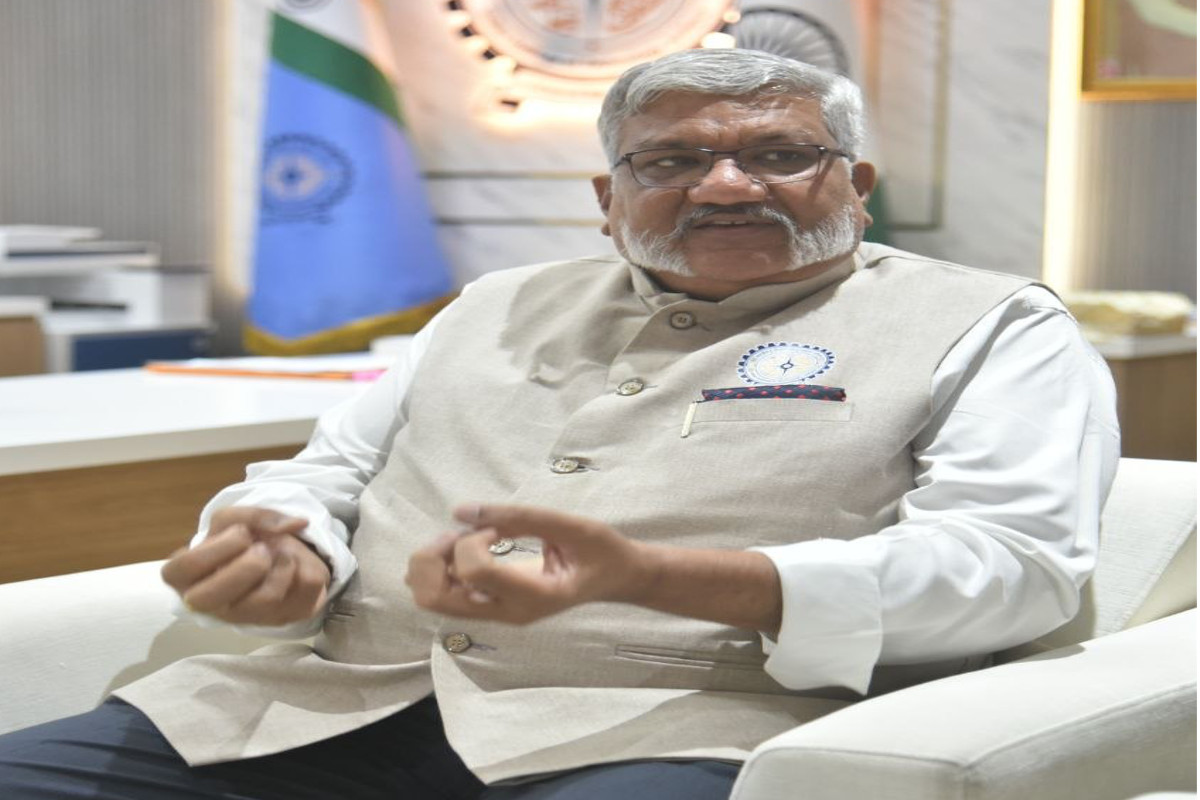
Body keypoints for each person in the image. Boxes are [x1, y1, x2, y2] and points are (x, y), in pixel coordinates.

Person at [0, 47, 1119, 800]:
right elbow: (327, 473)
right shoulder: (489, 304)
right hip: (330, 704)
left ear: (856, 181)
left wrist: (654, 575)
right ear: (607, 200)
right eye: (672, 160)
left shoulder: (992, 323)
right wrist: (284, 540)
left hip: (681, 727)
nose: (728, 185)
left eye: (782, 155)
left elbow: (1011, 568)